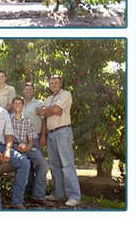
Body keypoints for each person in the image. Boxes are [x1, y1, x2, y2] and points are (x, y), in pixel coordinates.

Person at [38, 75, 81, 207]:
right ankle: (59, 193)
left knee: (67, 164)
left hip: (63, 132)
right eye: (51, 83)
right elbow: (42, 115)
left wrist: (46, 111)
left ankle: (74, 196)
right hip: (50, 134)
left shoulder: (66, 94)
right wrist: (43, 135)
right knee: (54, 165)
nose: (53, 85)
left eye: (56, 82)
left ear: (60, 84)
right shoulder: (48, 98)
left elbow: (57, 110)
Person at [22, 82, 48, 202]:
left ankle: (38, 194)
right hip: (22, 139)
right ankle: (28, 191)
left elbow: (44, 121)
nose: (28, 91)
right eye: (26, 89)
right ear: (23, 91)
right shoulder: (18, 103)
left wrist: (43, 136)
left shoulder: (38, 103)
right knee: (27, 166)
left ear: (33, 91)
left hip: (36, 137)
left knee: (40, 165)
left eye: (30, 89)